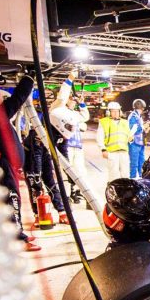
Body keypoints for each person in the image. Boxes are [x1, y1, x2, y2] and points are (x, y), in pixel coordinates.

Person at [0, 75, 39, 251]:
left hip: (4, 164)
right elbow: (19, 98)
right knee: (12, 199)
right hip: (4, 166)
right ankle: (18, 239)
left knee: (4, 200)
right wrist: (29, 78)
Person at [49, 71, 90, 202]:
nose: (73, 100)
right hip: (64, 146)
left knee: (80, 172)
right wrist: (70, 79)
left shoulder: (74, 114)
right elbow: (62, 96)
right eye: (71, 98)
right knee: (66, 171)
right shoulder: (58, 108)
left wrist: (82, 104)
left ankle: (76, 191)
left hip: (77, 147)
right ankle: (65, 196)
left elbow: (85, 117)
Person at [97, 101, 132, 181]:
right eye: (113, 111)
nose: (115, 113)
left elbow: (128, 136)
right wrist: (103, 149)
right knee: (113, 174)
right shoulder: (104, 122)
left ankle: (125, 191)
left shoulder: (125, 122)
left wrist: (131, 139)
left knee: (126, 174)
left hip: (124, 152)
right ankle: (113, 190)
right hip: (112, 153)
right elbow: (100, 137)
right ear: (109, 112)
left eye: (117, 111)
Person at [128, 99, 148, 178]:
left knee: (141, 162)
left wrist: (145, 128)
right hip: (134, 143)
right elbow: (133, 129)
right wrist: (143, 127)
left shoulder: (138, 116)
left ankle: (141, 177)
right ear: (142, 107)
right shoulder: (133, 116)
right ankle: (132, 179)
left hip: (140, 142)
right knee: (134, 163)